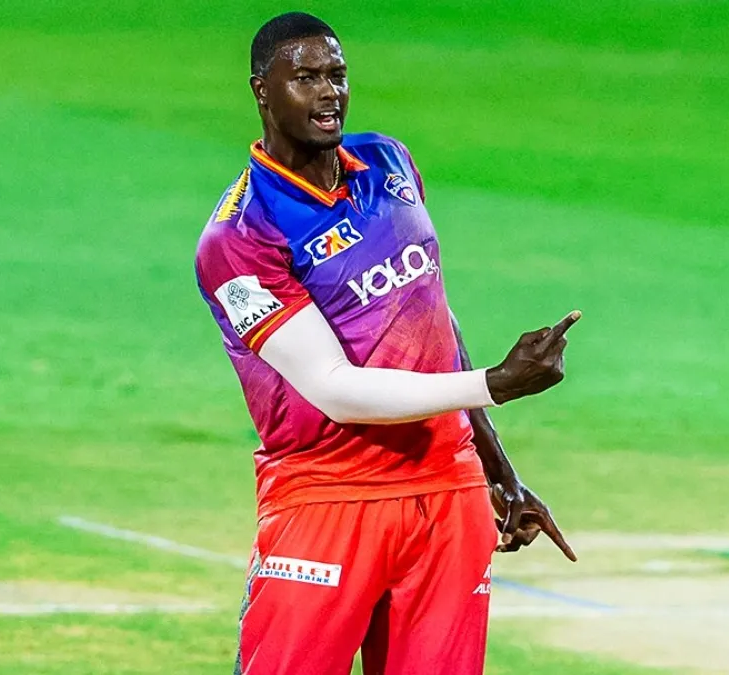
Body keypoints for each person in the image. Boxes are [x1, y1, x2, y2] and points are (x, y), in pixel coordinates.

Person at [193, 12, 583, 675]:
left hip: (448, 488)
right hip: (328, 497)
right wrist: (497, 383)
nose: (328, 93)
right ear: (262, 91)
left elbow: (433, 319)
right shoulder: (239, 238)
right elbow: (334, 389)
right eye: (306, 78)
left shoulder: (388, 161)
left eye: (337, 75)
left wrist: (500, 471)